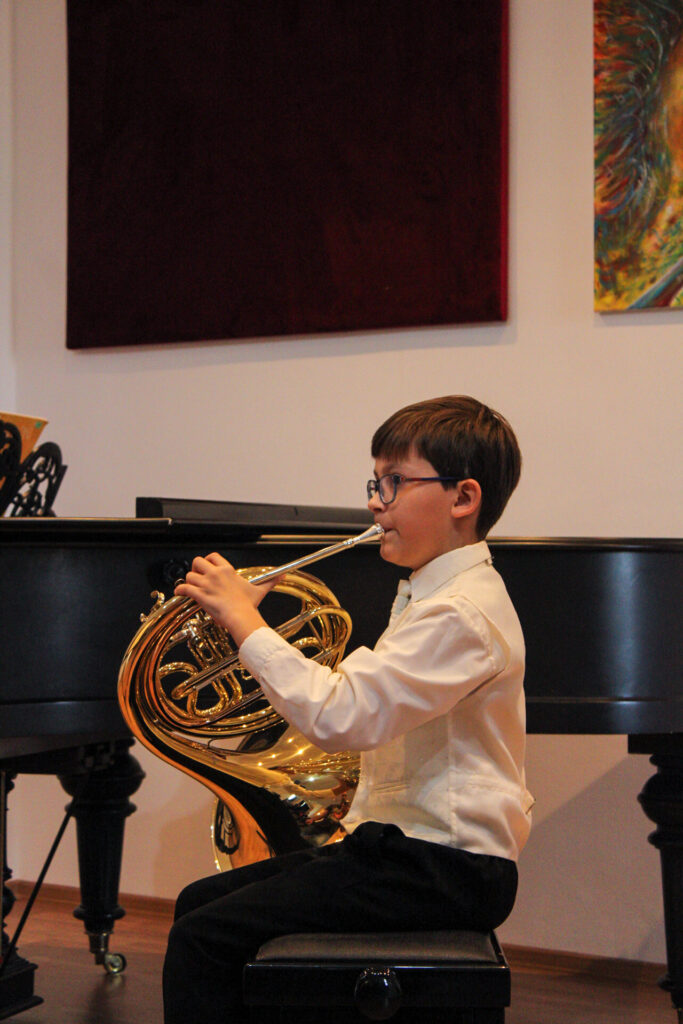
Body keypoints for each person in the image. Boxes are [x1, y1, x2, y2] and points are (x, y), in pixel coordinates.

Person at [162, 395, 533, 1024]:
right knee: (196, 904)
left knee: (203, 939)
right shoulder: (435, 595)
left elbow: (344, 716)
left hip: (442, 866)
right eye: (375, 482)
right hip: (406, 853)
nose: (375, 502)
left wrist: (246, 621)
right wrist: (246, 628)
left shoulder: (460, 613)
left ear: (462, 498)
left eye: (395, 482)